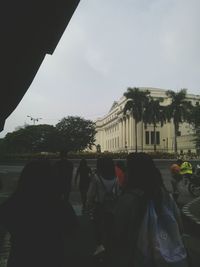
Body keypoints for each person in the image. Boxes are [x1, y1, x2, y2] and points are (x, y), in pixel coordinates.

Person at [111, 152, 186, 267]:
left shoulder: (127, 200)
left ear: (132, 172)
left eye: (127, 169)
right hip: (165, 257)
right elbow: (178, 225)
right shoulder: (163, 195)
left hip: (138, 257)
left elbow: (118, 233)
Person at [0, 159, 78, 267]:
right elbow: (71, 231)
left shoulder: (13, 204)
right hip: (52, 258)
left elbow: (6, 221)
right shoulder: (59, 205)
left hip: (20, 258)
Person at [86, 156, 118, 258]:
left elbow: (91, 194)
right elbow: (117, 193)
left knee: (98, 228)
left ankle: (100, 247)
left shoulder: (96, 177)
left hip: (99, 206)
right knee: (109, 228)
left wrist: (88, 205)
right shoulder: (115, 178)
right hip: (111, 206)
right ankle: (109, 248)